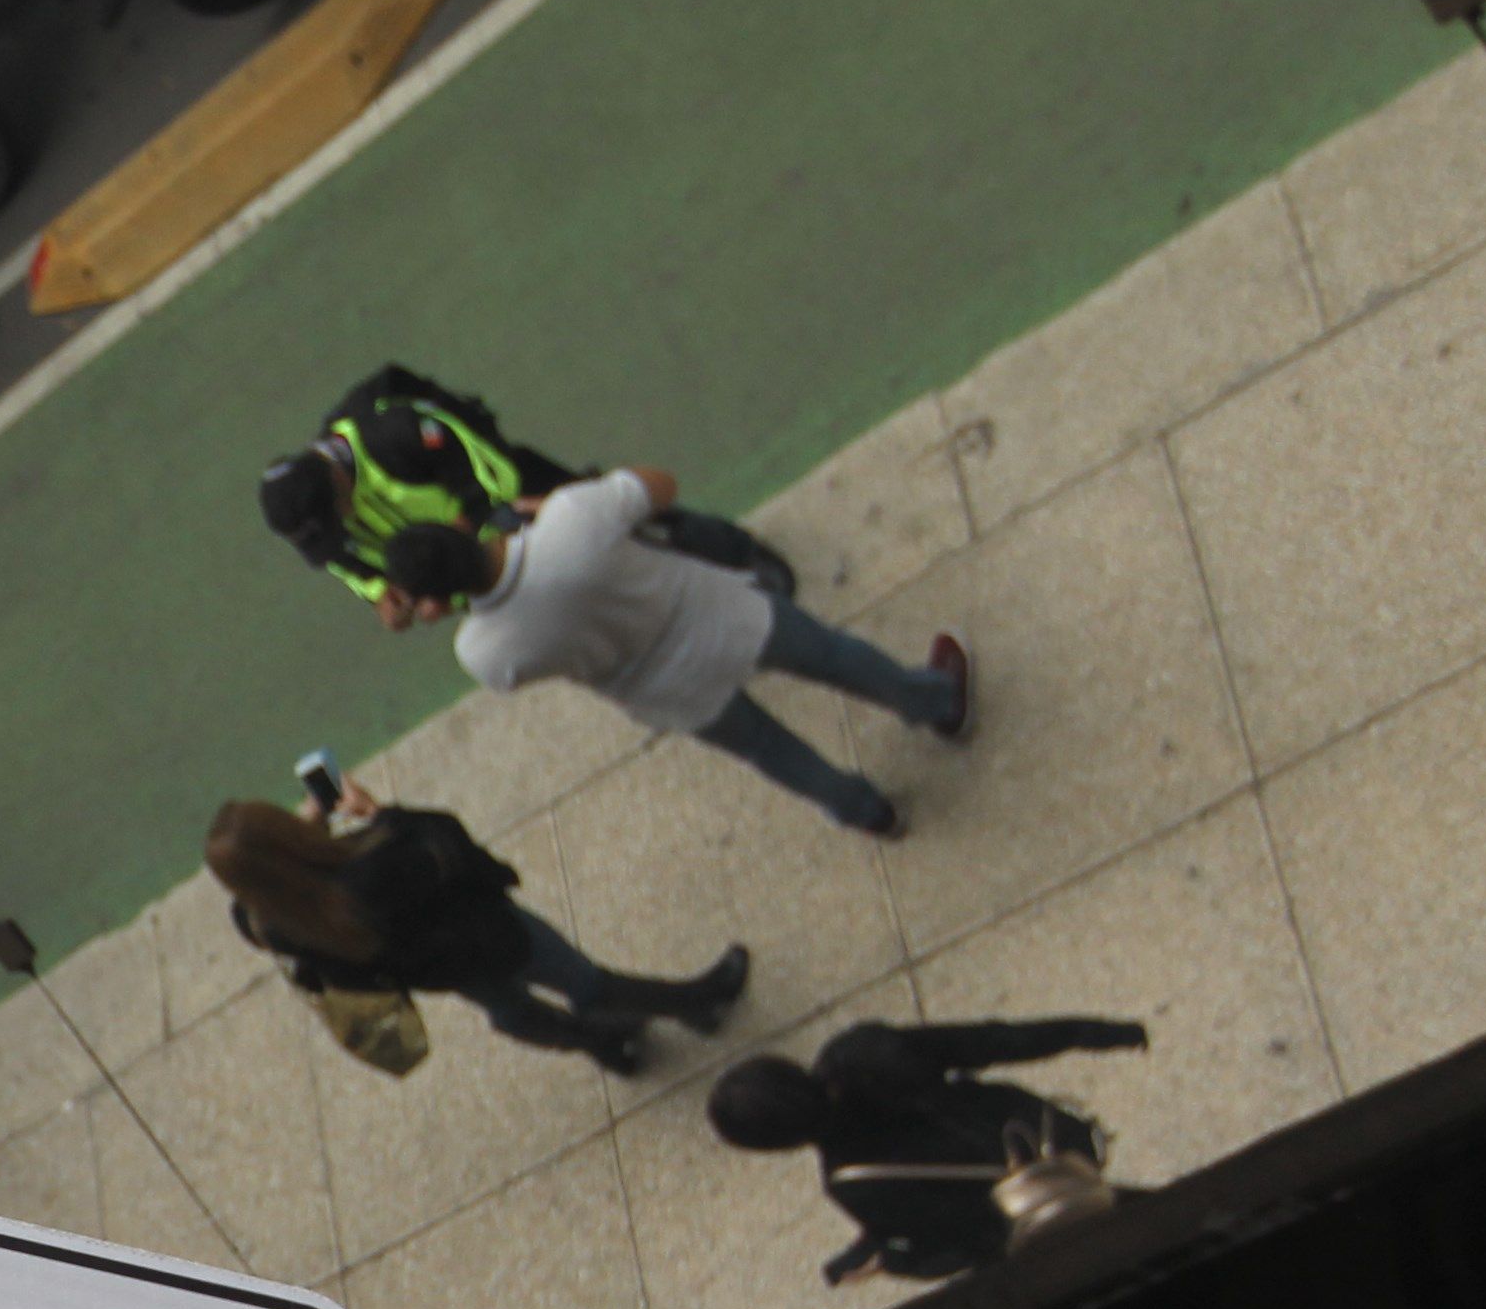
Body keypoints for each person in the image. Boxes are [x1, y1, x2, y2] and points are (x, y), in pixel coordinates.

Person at [383, 473, 972, 839]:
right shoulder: (571, 518)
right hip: (720, 615)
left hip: (665, 691)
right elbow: (659, 485)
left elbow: (518, 662)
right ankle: (934, 701)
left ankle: (864, 811)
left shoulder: (480, 652)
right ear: (461, 532)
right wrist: (556, 505)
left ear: (436, 602)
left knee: (770, 751)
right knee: (833, 657)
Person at [202, 784, 744, 1074]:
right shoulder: (374, 866)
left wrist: (312, 841)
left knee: (509, 1010)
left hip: (437, 970)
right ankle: (696, 1002)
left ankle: (603, 1043)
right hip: (492, 935)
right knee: (585, 981)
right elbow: (446, 838)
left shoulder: (267, 923)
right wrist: (380, 812)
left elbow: (301, 899)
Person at [260, 366, 791, 616]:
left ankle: (739, 553)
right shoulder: (316, 525)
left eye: (333, 519)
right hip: (469, 563)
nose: (334, 534)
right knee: (583, 589)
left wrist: (465, 535)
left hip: (514, 505)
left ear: (333, 479)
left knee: (626, 522)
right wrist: (389, 596)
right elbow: (348, 566)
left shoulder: (393, 432)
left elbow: (496, 473)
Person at [708, 1017, 1152, 1284]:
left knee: (1133, 1222)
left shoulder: (852, 1184)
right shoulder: (862, 1053)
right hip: (1045, 1136)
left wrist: (890, 1258)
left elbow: (962, 1245)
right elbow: (992, 1040)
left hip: (1035, 1211)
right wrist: (1089, 1032)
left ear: (778, 1145)